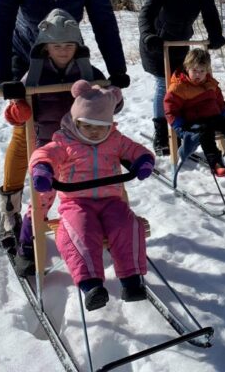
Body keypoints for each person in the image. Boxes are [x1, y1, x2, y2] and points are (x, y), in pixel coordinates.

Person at [0, 0, 130, 254]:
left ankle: (89, 197)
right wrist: (3, 77)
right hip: (26, 59)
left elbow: (103, 19)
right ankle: (11, 206)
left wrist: (117, 69)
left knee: (78, 125)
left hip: (69, 55)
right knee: (28, 131)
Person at [2, 8, 117, 276]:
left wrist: (115, 97)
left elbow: (107, 101)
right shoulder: (34, 74)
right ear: (46, 47)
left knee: (104, 186)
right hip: (49, 144)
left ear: (77, 46)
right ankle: (27, 245)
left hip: (86, 142)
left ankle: (112, 229)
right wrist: (18, 110)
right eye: (56, 46)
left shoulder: (88, 71)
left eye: (68, 45)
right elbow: (16, 108)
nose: (63, 51)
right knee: (42, 196)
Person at [29, 80, 155, 311]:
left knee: (128, 225)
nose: (95, 131)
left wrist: (143, 160)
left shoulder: (115, 139)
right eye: (87, 125)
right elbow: (45, 154)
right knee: (80, 232)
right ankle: (91, 285)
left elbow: (134, 149)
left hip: (111, 200)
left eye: (101, 126)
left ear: (110, 124)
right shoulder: (64, 141)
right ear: (76, 121)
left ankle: (131, 280)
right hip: (76, 202)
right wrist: (43, 168)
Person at [138, 0, 225, 156]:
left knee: (182, 85)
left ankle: (179, 127)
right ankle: (162, 132)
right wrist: (148, 35)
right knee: (164, 84)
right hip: (157, 42)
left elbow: (210, 13)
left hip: (181, 42)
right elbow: (147, 11)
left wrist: (215, 34)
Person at [164, 48, 225, 177]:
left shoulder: (210, 83)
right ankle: (217, 164)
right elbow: (170, 109)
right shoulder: (179, 87)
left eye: (202, 71)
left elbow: (219, 99)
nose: (198, 74)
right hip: (194, 121)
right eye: (194, 70)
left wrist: (223, 113)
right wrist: (179, 126)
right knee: (205, 134)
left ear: (207, 71)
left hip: (214, 117)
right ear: (187, 68)